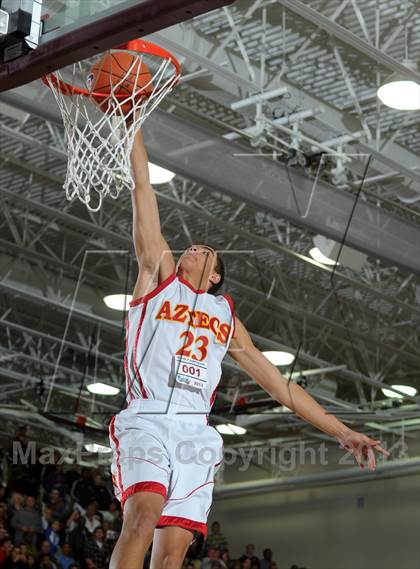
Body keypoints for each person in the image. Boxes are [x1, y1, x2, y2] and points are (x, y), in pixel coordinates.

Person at [108, 129, 390, 569]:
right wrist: (134, 125)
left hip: (195, 434)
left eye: (205, 252)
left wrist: (342, 431)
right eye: (190, 247)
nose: (193, 249)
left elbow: (282, 388)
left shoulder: (225, 319)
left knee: (171, 556)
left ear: (216, 276)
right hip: (148, 419)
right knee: (141, 521)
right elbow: (142, 188)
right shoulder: (156, 280)